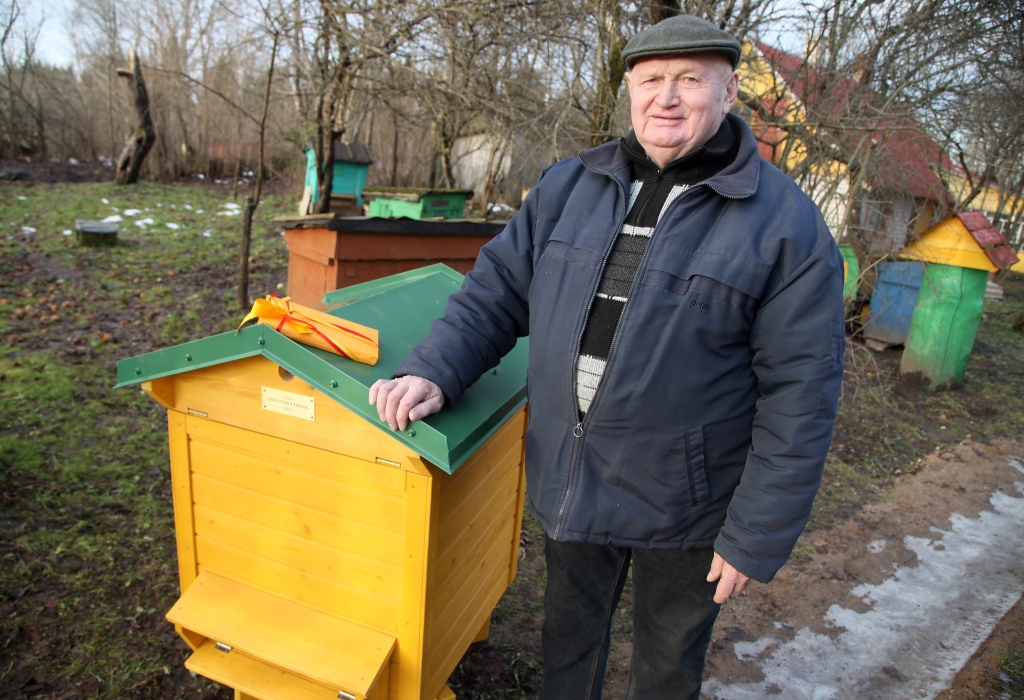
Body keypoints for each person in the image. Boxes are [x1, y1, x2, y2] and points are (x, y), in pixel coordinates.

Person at [369, 14, 845, 700]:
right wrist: (433, 369)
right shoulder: (570, 187)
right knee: (567, 648)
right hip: (574, 472)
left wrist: (754, 535)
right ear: (630, 90)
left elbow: (801, 395)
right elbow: (496, 292)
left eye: (690, 80)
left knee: (666, 665)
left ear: (730, 91)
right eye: (652, 80)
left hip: (688, 500)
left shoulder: (785, 225)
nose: (668, 97)